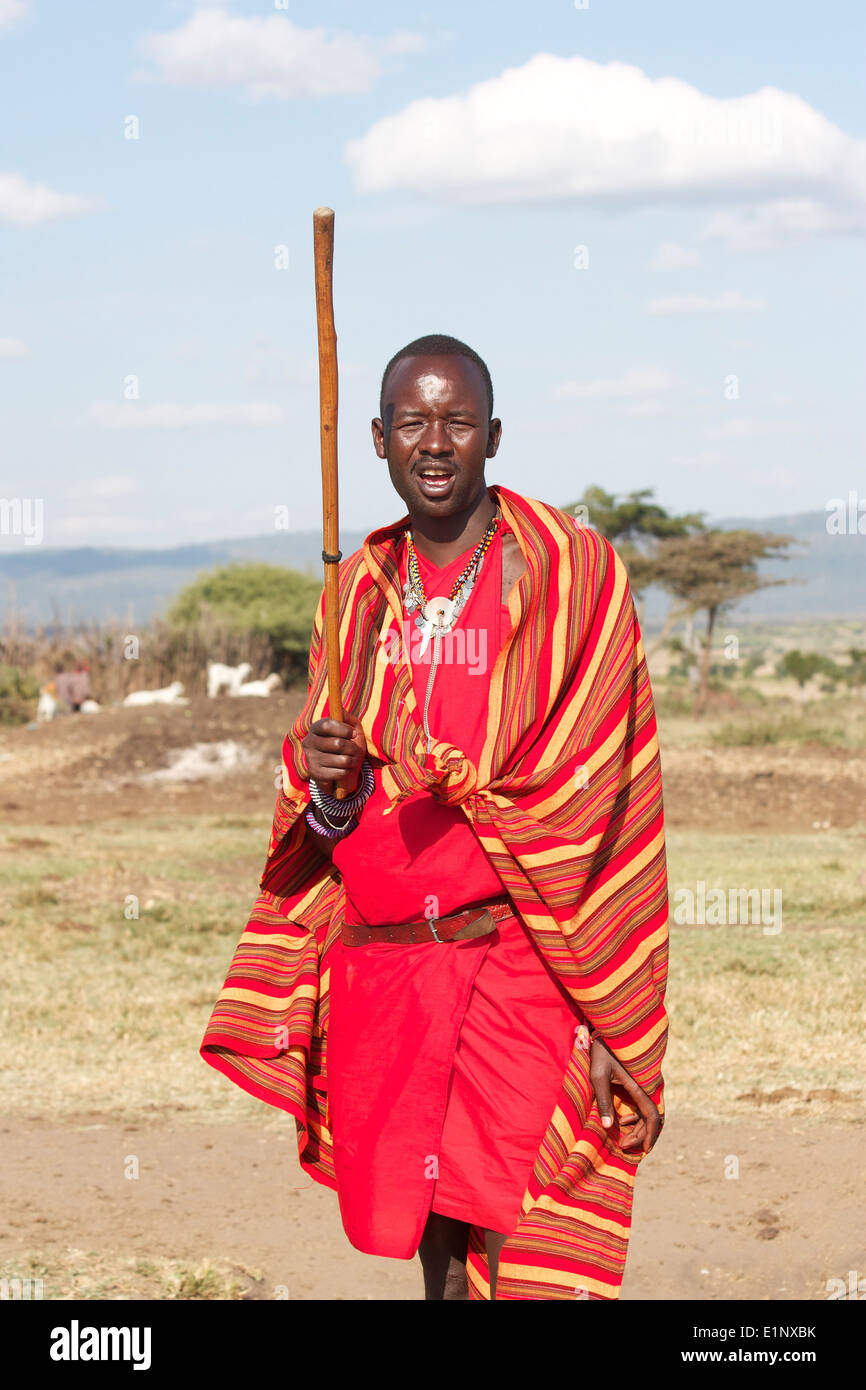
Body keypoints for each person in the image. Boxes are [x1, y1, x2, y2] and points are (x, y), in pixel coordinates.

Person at [202, 334, 669, 1301]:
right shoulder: (356, 592)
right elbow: (329, 820)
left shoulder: (566, 575)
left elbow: (596, 795)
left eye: (458, 421)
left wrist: (601, 1012)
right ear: (376, 440)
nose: (436, 442)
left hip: (519, 961)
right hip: (391, 968)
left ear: (493, 435)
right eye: (413, 422)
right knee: (439, 1245)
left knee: (521, 1225)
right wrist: (327, 783)